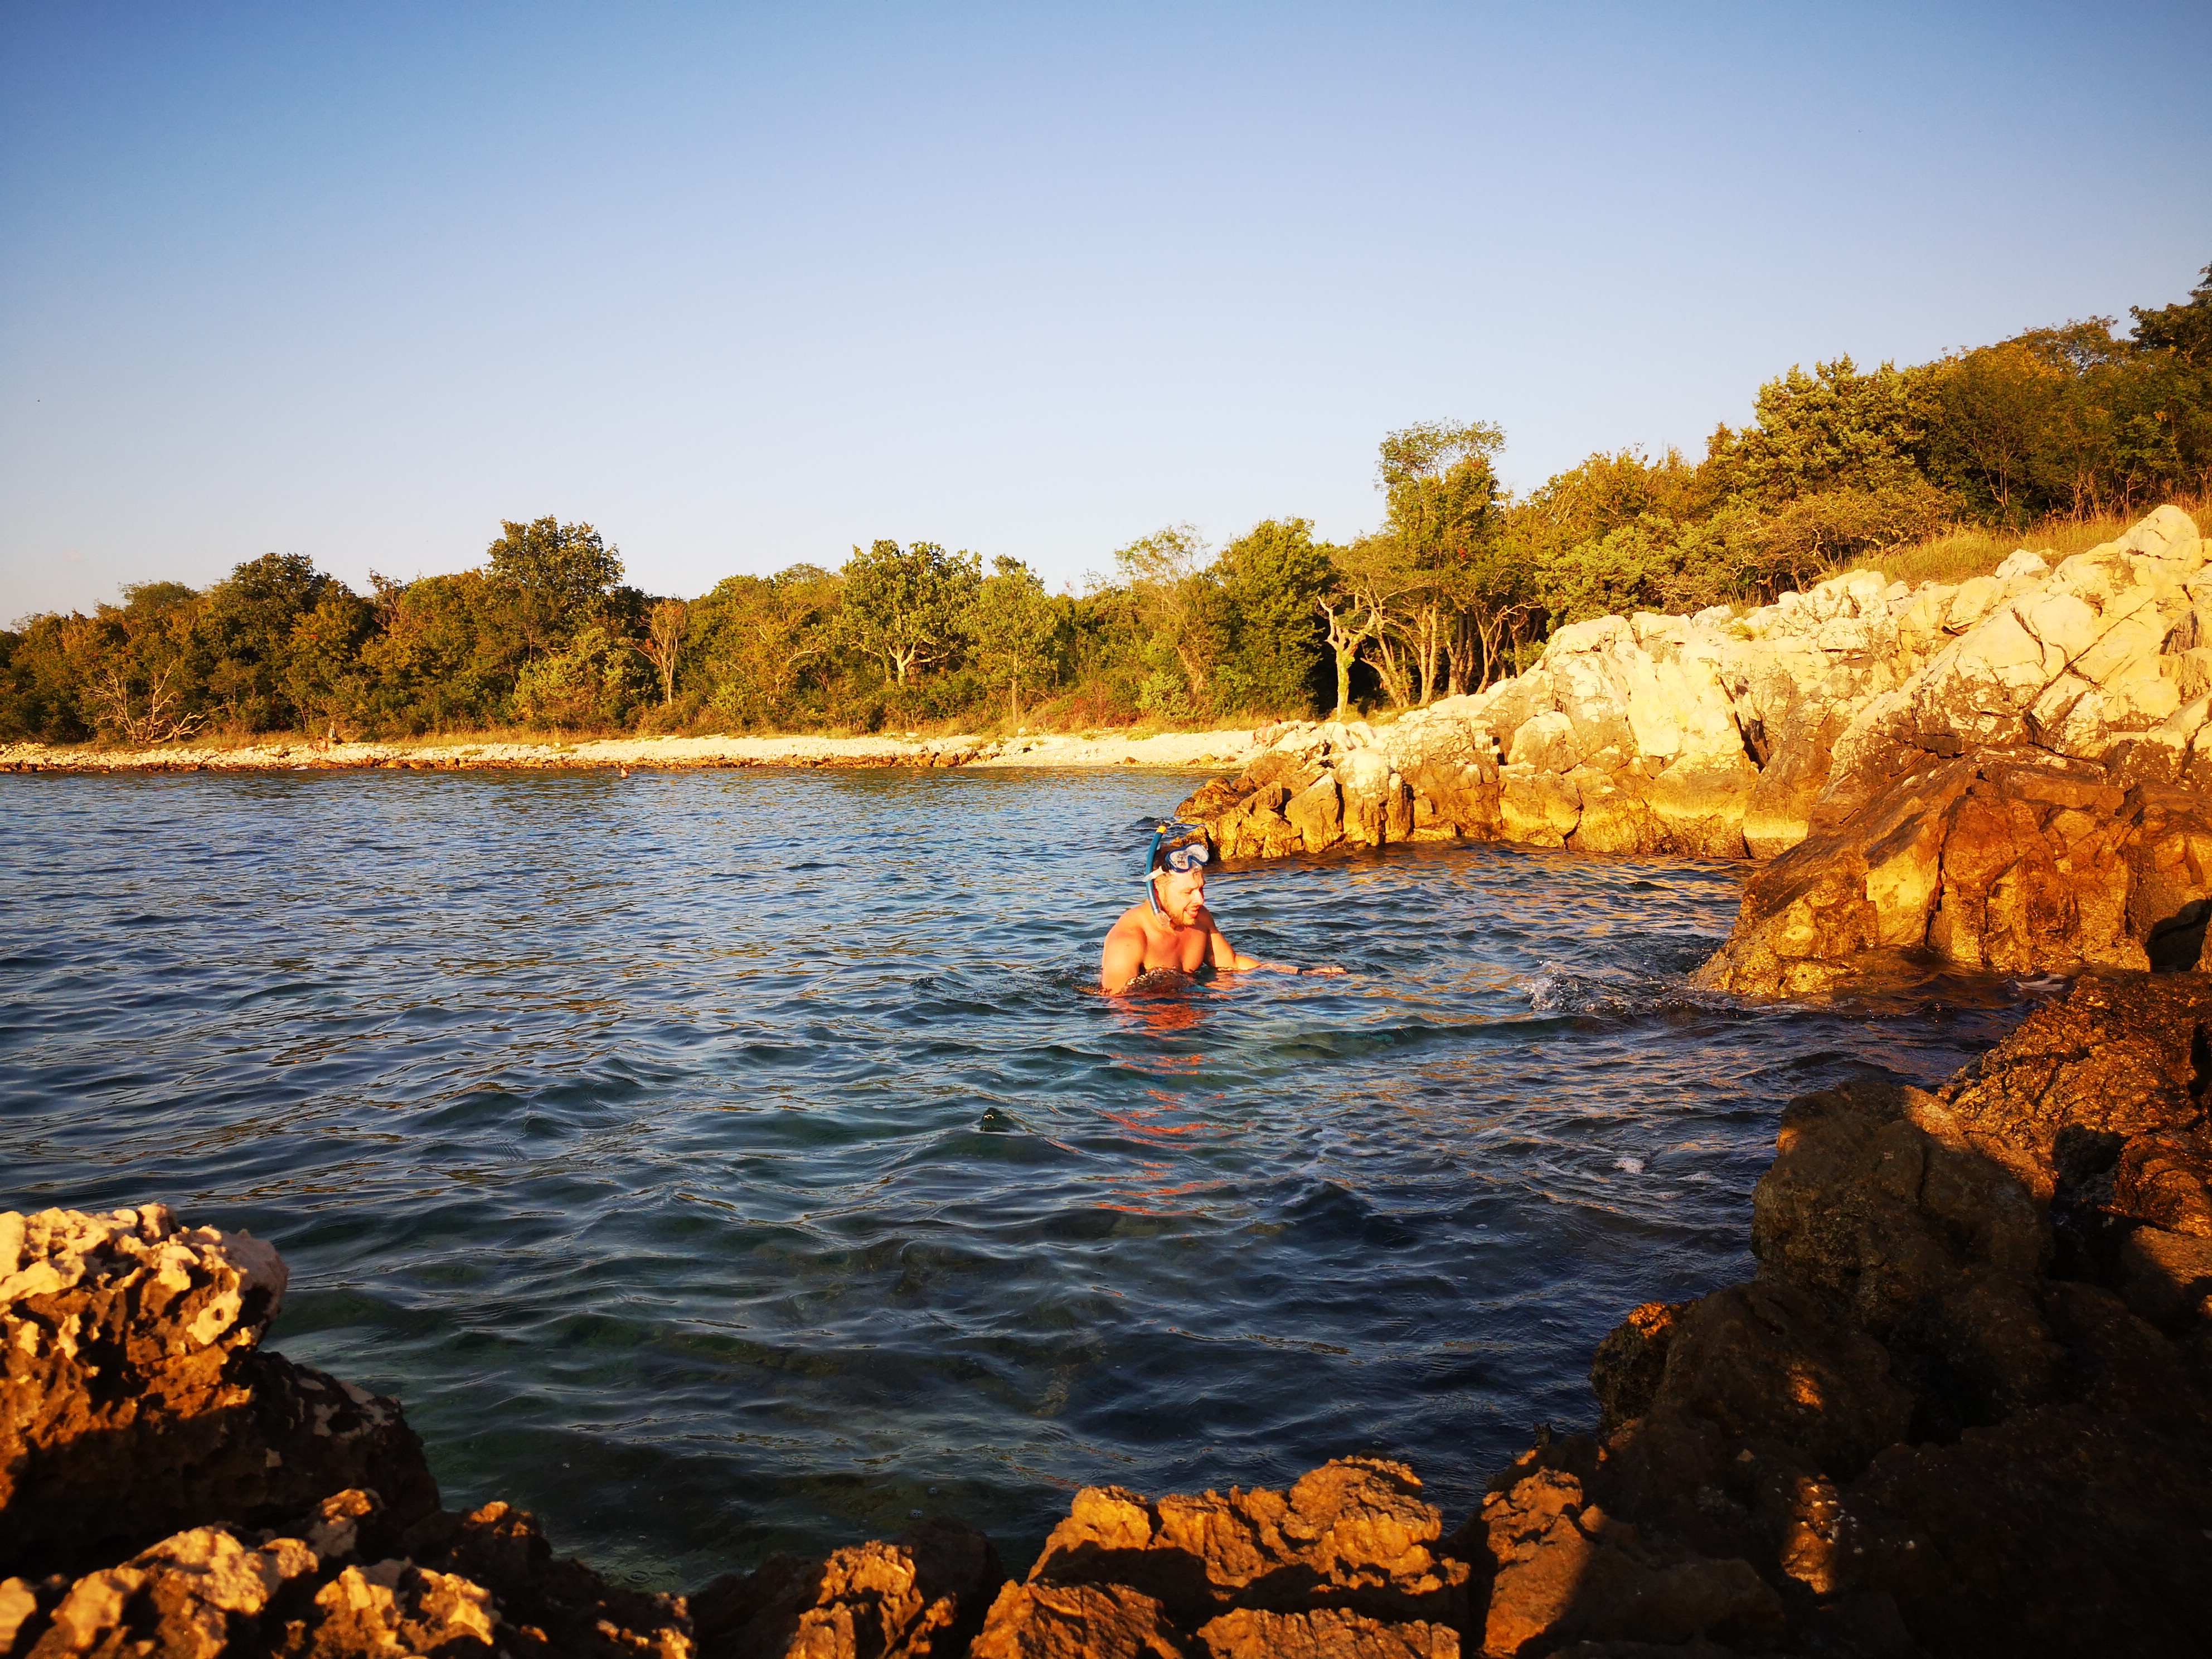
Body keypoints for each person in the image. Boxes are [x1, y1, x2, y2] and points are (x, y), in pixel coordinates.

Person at [1099, 821, 1343, 993]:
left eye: (1201, 889)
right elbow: (1119, 1006)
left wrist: (1303, 975)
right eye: (1188, 892)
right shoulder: (1129, 940)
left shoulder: (1200, 919)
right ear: (1157, 891)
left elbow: (1232, 963)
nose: (1200, 900)